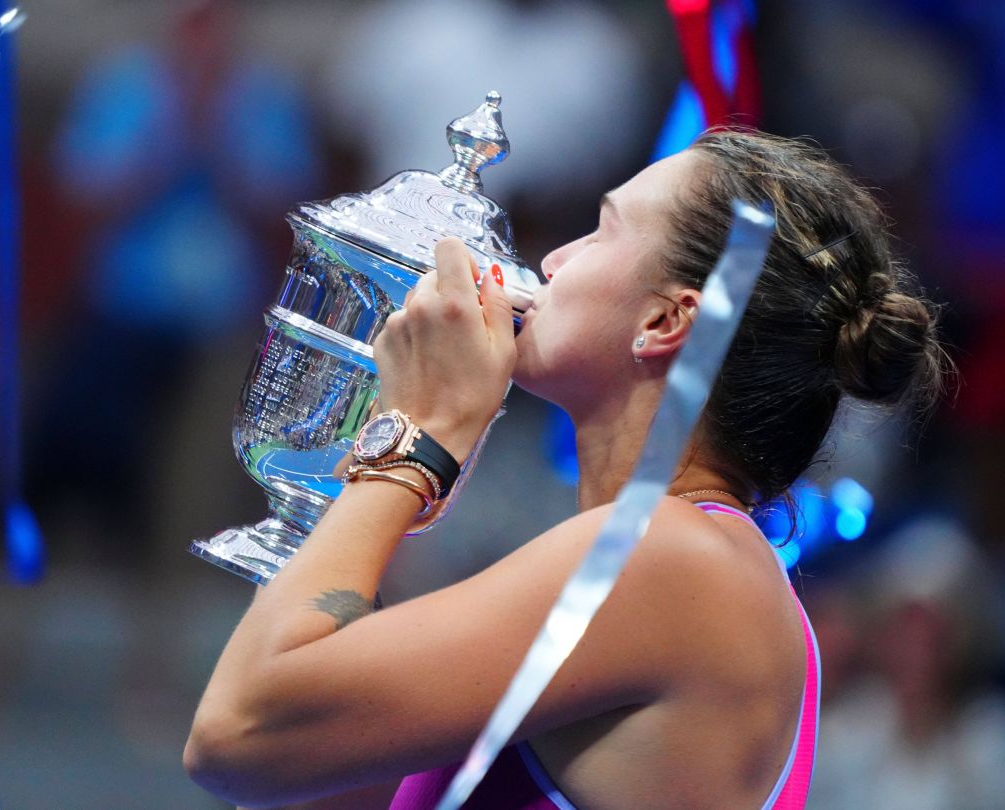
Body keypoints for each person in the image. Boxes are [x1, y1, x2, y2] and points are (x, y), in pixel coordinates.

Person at [183, 130, 946, 809]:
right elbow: (295, 768)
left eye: (600, 232)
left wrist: (425, 429)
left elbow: (237, 735)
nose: (552, 260)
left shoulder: (673, 562)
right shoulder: (690, 567)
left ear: (667, 322)